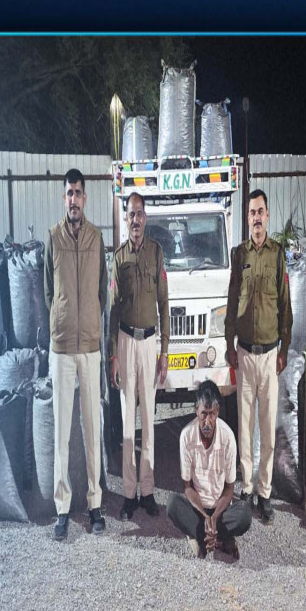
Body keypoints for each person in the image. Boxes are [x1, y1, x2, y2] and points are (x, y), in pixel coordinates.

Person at [44, 169, 108, 540]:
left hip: (90, 348)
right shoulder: (53, 237)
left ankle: (95, 503)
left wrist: (92, 324)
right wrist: (60, 319)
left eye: (78, 193)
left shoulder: (97, 238)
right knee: (61, 432)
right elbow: (47, 291)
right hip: (63, 349)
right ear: (64, 198)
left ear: (85, 198)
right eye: (69, 193)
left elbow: (103, 291)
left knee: (91, 428)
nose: (73, 199)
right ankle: (62, 508)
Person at [225, 189, 292, 525]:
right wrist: (228, 343)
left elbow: (285, 305)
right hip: (244, 354)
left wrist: (285, 348)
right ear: (248, 217)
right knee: (244, 427)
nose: (256, 218)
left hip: (268, 356)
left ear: (268, 215)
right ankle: (247, 487)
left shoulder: (277, 255)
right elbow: (231, 299)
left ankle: (265, 492)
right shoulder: (239, 254)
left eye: (260, 212)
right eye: (251, 212)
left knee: (267, 428)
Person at [109, 193, 169, 520]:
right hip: (125, 342)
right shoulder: (119, 258)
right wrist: (113, 356)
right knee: (127, 424)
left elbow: (164, 303)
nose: (136, 220)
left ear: (145, 218)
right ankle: (129, 493)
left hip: (148, 345)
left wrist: (165, 351)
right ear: (126, 218)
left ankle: (147, 491)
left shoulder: (156, 253)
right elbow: (113, 309)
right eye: (131, 214)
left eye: (140, 214)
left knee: (148, 421)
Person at [167, 380, 252, 559]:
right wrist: (205, 516)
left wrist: (214, 518)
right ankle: (217, 537)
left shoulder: (228, 437)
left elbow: (229, 489)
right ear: (196, 410)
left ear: (218, 411)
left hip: (221, 510)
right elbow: (188, 487)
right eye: (203, 414)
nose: (207, 422)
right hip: (198, 509)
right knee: (173, 504)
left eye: (212, 414)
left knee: (244, 514)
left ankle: (203, 537)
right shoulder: (186, 436)